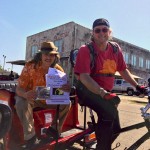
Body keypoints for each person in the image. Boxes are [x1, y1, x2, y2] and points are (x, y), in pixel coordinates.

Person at [74, 18, 145, 150]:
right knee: (108, 114)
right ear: (93, 33)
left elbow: (123, 70)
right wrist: (102, 93)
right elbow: (84, 77)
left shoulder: (115, 48)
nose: (101, 33)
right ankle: (103, 147)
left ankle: (100, 144)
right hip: (87, 91)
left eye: (104, 29)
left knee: (115, 128)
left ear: (109, 32)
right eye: (98, 30)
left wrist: (137, 86)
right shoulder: (86, 50)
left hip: (105, 93)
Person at [15, 41, 71, 149]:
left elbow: (61, 90)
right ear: (40, 55)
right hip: (33, 96)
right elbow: (18, 89)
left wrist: (66, 89)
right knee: (21, 102)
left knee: (67, 103)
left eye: (52, 55)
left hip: (49, 96)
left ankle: (54, 130)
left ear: (55, 56)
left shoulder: (58, 69)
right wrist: (25, 94)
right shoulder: (30, 66)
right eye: (46, 54)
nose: (48, 57)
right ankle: (30, 137)